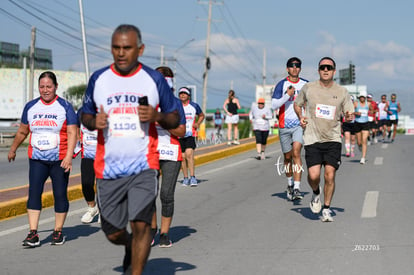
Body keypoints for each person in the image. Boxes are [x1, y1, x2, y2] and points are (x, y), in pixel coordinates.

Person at [81, 24, 180, 274]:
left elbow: (175, 119)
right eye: (116, 48)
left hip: (144, 166)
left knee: (141, 225)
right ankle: (129, 246)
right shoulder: (99, 79)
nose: (121, 53)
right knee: (113, 232)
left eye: (127, 48)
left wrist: (156, 115)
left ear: (140, 49)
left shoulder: (153, 79)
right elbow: (84, 114)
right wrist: (94, 122)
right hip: (108, 168)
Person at [8, 71, 77, 246]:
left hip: (59, 160)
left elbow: (72, 132)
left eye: (49, 86)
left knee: (60, 194)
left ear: (55, 87)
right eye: (42, 87)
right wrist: (13, 149)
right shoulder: (31, 106)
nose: (45, 90)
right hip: (37, 159)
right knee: (34, 193)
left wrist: (69, 156)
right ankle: (33, 233)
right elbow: (23, 131)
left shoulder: (65, 107)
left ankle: (58, 231)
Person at [294, 57, 354, 222]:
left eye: (329, 67)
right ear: (318, 70)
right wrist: (301, 116)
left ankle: (326, 209)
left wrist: (349, 117)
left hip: (333, 138)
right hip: (312, 138)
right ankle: (315, 193)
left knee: (329, 175)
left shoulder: (342, 91)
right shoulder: (309, 88)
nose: (325, 70)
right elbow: (297, 104)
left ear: (334, 71)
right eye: (322, 68)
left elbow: (349, 112)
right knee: (313, 176)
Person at [150, 66, 186, 248]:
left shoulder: (175, 103)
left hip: (171, 153)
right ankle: (151, 229)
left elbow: (181, 131)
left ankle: (164, 233)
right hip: (149, 152)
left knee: (166, 194)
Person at [272, 57, 308, 201]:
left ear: (300, 68)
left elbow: (312, 103)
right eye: (292, 66)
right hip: (284, 125)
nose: (295, 68)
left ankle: (298, 187)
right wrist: (288, 95)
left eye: (297, 66)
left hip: (299, 124)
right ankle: (290, 184)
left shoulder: (306, 84)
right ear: (287, 68)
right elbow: (274, 105)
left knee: (296, 153)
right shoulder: (282, 84)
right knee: (287, 158)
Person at [178, 86, 205, 186]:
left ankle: (193, 177)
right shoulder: (176, 106)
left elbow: (202, 115)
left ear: (188, 95)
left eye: (184, 93)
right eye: (181, 93)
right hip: (179, 135)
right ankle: (185, 178)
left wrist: (197, 124)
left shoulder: (194, 106)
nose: (182, 95)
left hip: (190, 134)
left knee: (189, 155)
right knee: (182, 157)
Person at [77, 107, 99, 223]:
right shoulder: (82, 111)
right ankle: (92, 207)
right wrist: (77, 137)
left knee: (103, 185)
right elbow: (75, 126)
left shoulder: (109, 109)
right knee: (86, 183)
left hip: (105, 155)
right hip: (87, 154)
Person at [354, 90, 372, 164]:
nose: (362, 98)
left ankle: (363, 158)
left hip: (365, 123)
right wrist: (356, 113)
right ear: (359, 97)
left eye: (363, 97)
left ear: (365, 98)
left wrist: (372, 113)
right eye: (361, 97)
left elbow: (372, 110)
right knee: (359, 142)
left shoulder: (368, 104)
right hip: (357, 123)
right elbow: (351, 111)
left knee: (364, 140)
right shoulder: (355, 103)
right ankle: (359, 146)